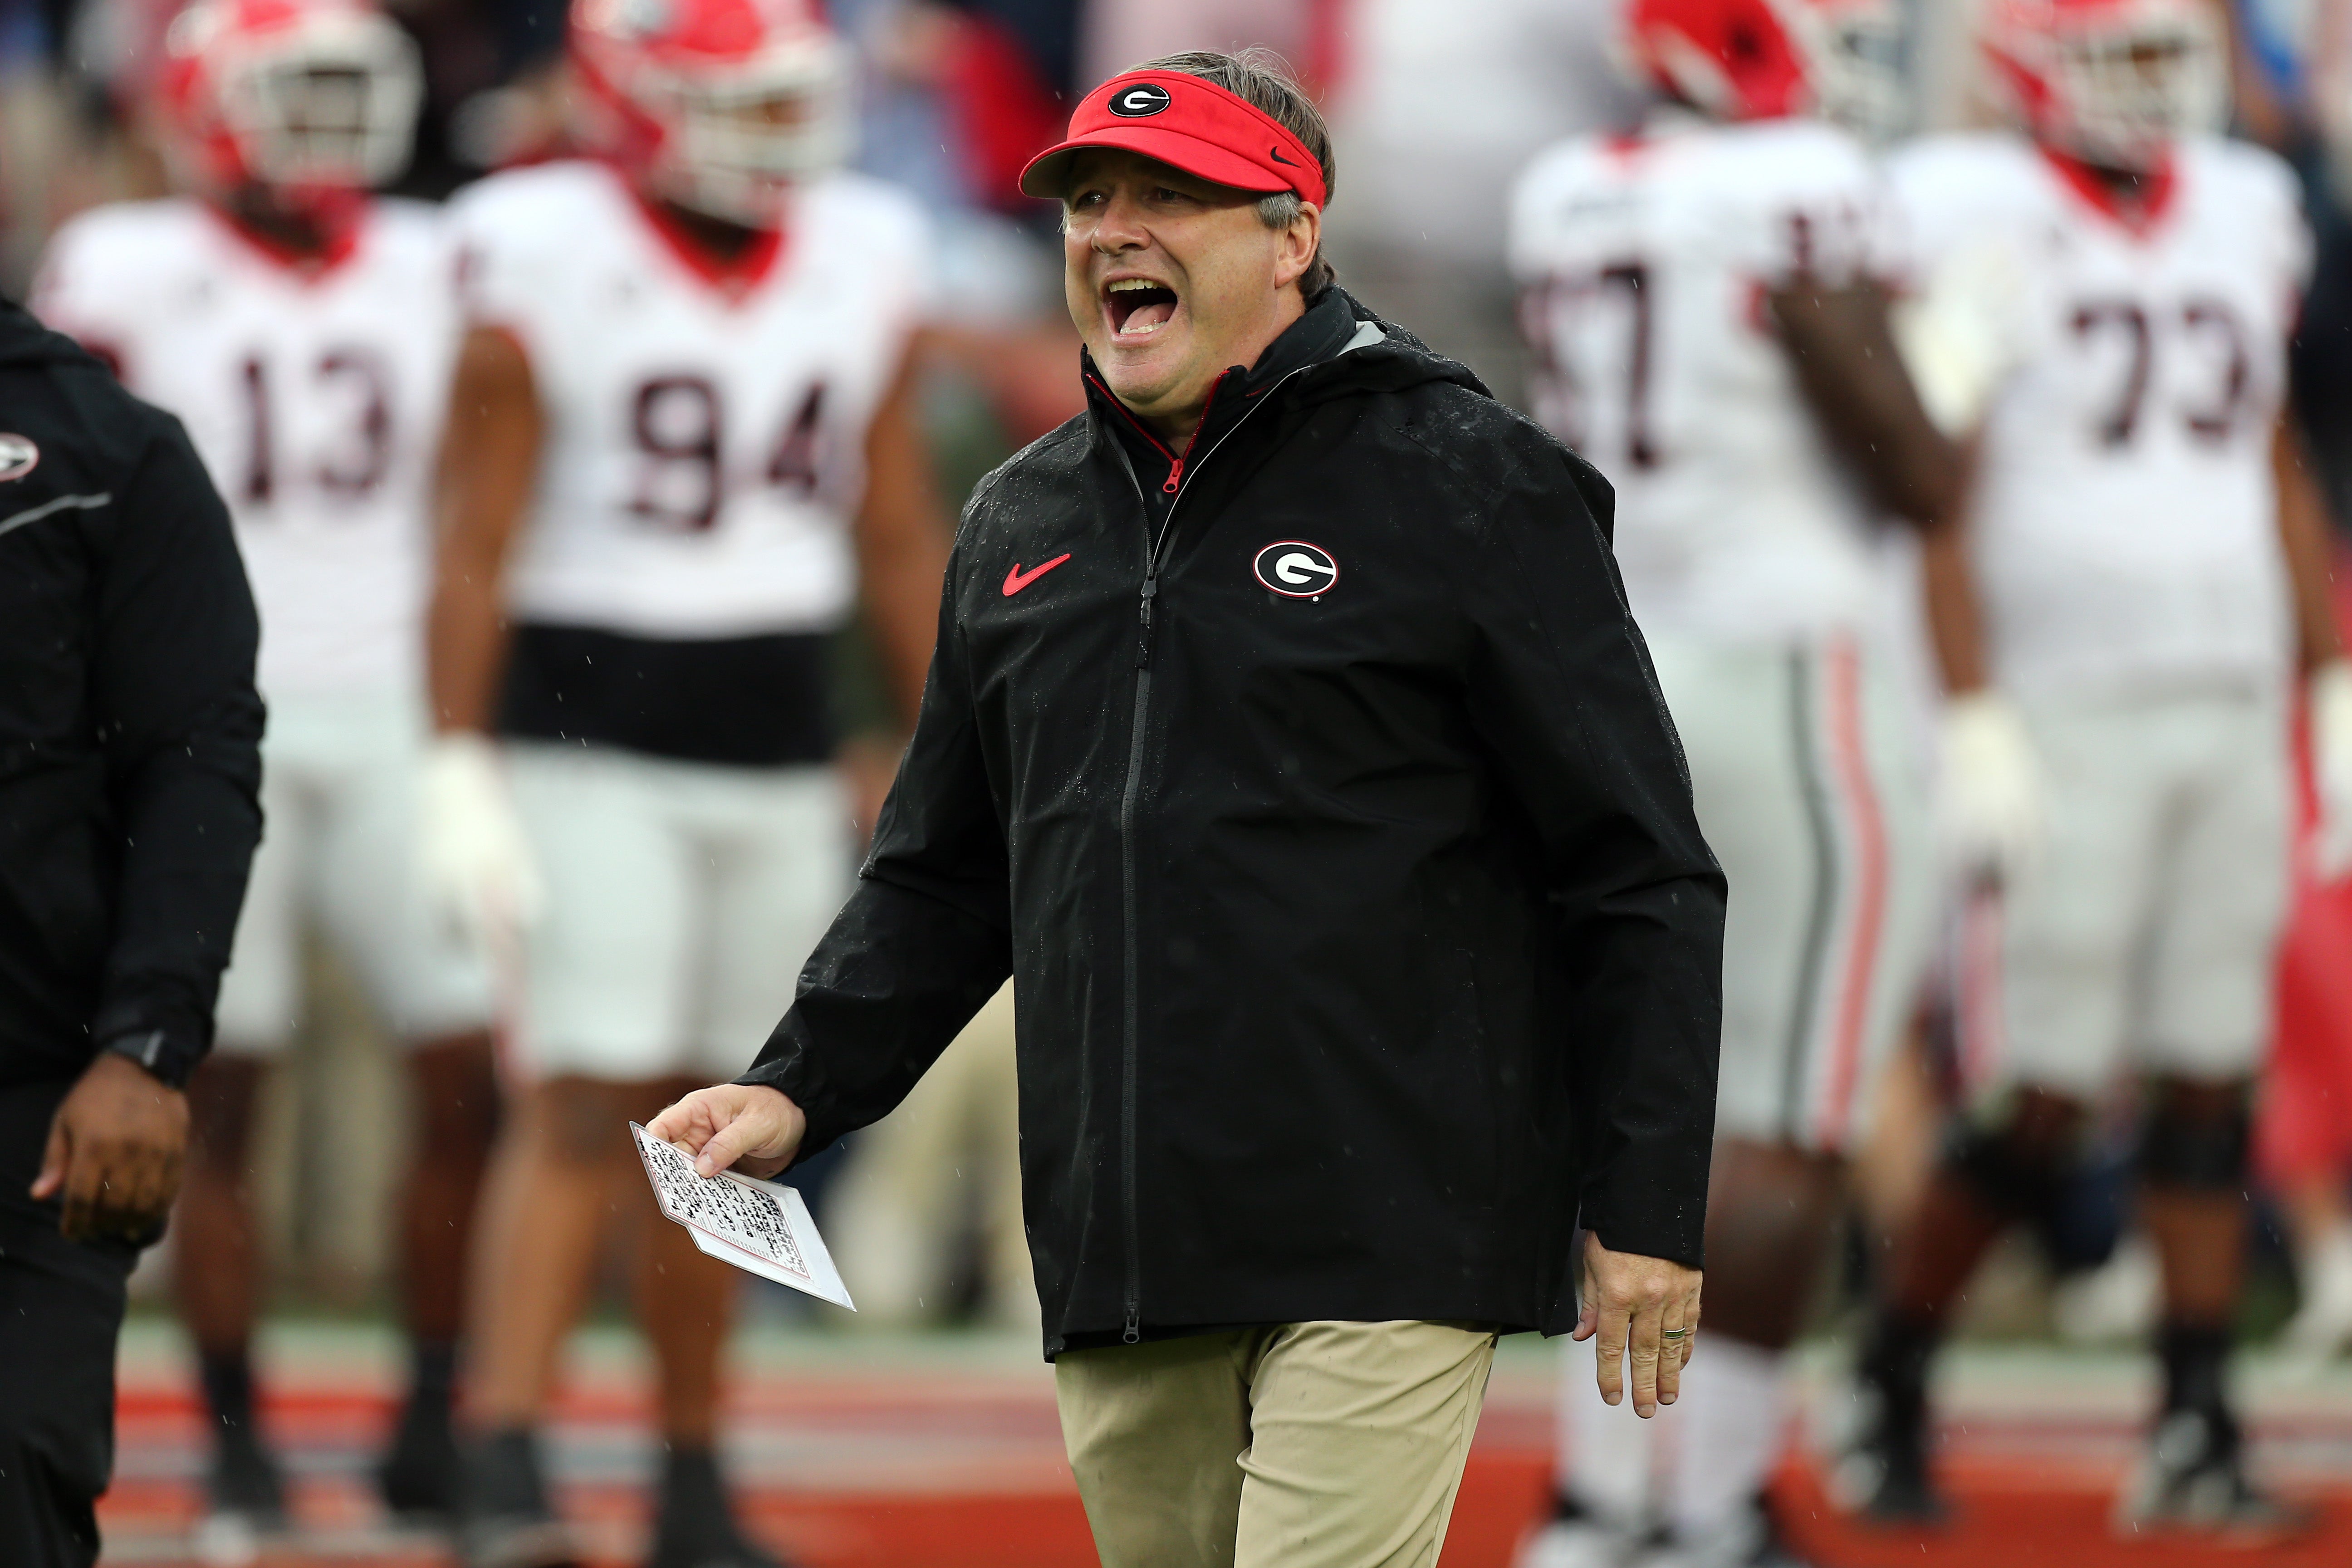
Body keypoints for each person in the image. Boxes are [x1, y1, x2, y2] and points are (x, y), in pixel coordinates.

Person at [650, 48, 1726, 1568]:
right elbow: (947, 875)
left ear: (1293, 234)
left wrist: (1646, 1195)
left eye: (1174, 197)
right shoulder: (1022, 516)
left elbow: (1641, 871)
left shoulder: (1468, 478)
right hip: (1128, 1233)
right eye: (1092, 198)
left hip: (1391, 1215)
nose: (1113, 230)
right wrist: (798, 1086)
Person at [424, 0, 948, 1561]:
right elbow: (480, 531)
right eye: (746, 105)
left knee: (730, 1120)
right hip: (584, 721)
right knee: (588, 1094)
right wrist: (454, 750)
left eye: (794, 105)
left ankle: (694, 1474)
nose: (781, 140)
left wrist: (947, 747)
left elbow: (898, 526)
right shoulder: (536, 236)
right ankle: (504, 1455)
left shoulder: (865, 248)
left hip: (777, 729)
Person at [1848, 0, 2352, 1534]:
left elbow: (2269, 447)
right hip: (2064, 704)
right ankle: (1894, 1370)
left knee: (2214, 1067)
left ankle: (2197, 1421)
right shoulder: (1968, 209)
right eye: (2118, 58)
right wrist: (1974, 703)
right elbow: (1927, 481)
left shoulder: (2245, 209)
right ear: (2028, 73)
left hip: (2227, 683)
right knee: (2049, 1088)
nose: (2153, 88)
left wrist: (2329, 668)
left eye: (2161, 55)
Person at [1503, 0, 1976, 1562]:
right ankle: (1709, 1508)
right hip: (1790, 670)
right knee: (1787, 1114)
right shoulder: (1798, 184)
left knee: (1641, 1099)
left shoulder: (1565, 184)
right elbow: (1914, 467)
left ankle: (1596, 1500)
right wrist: (1969, 352)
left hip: (1618, 664)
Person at [29, 0, 502, 1537]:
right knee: (213, 1094)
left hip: (388, 710)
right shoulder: (127, 266)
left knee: (471, 1077)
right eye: (289, 88)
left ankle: (431, 1409)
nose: (321, 120)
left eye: (340, 89)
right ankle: (238, 1434)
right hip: (205, 713)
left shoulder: (438, 257)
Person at [0, 298, 264, 1563]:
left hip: (31, 1084)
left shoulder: (105, 448)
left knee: (18, 1483)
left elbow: (197, 758)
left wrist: (148, 1047)